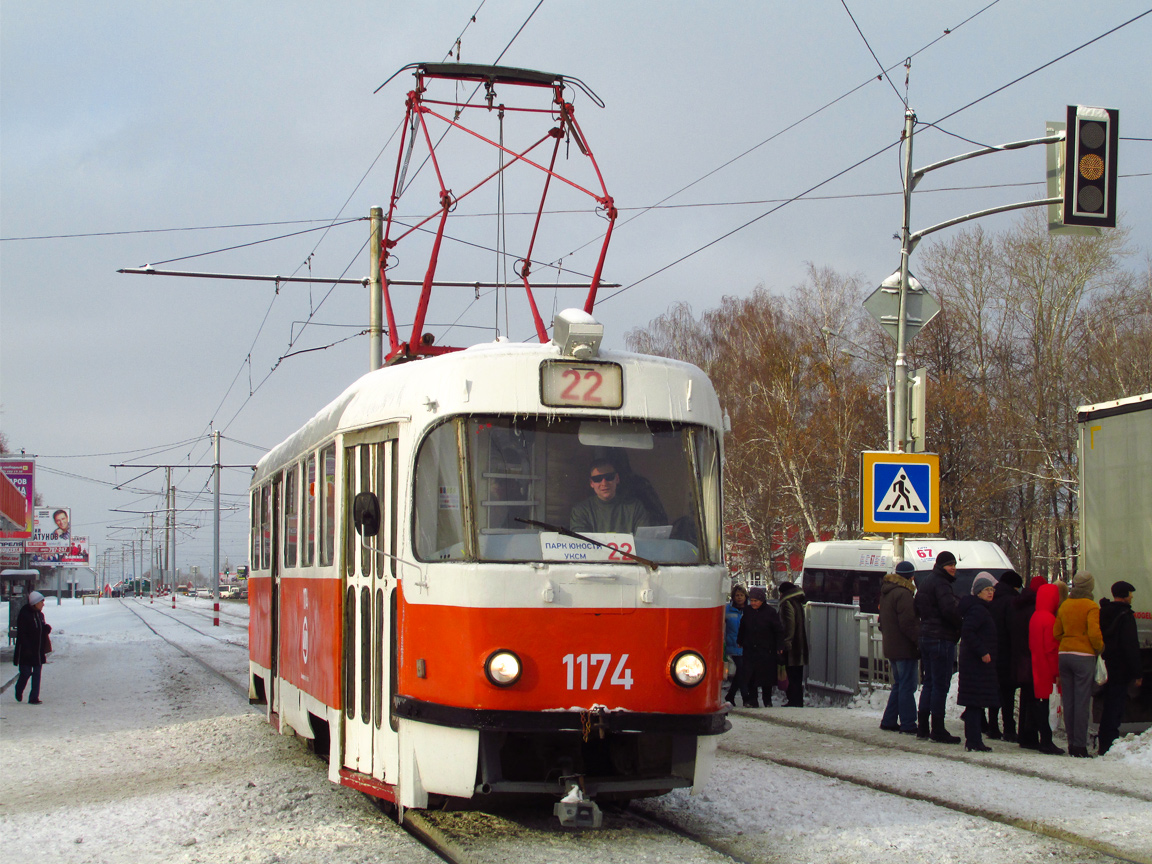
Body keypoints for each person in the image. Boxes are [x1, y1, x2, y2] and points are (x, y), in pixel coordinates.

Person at [1054, 572, 1104, 757]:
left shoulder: (1065, 605)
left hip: (1064, 654)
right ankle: (1080, 746)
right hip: (1083, 656)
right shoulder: (1091, 606)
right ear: (1090, 586)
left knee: (1069, 701)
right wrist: (1099, 648)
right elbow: (1094, 634)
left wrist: (1069, 640)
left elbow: (1057, 632)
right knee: (1082, 702)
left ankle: (1071, 743)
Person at [915, 549, 962, 743]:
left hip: (926, 636)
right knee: (940, 684)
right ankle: (938, 728)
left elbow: (916, 606)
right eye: (950, 565)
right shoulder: (942, 583)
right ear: (942, 566)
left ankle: (923, 727)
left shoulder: (927, 581)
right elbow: (949, 609)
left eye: (954, 565)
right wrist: (960, 624)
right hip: (941, 637)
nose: (953, 568)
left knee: (929, 682)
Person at [1098, 580, 1143, 755]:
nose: (1132, 597)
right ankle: (1109, 744)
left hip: (1104, 665)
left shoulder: (1103, 612)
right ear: (1124, 595)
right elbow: (1130, 646)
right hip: (1120, 668)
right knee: (1115, 706)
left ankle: (1103, 740)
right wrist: (1137, 673)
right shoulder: (1126, 616)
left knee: (1107, 704)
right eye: (1130, 594)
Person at [958, 573, 1000, 752]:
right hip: (975, 663)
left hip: (974, 663)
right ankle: (974, 741)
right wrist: (982, 651)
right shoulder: (978, 609)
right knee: (974, 702)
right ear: (977, 592)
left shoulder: (980, 608)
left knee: (975, 702)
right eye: (986, 590)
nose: (990, 593)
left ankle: (974, 740)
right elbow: (968, 631)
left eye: (992, 589)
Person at [878, 560, 920, 733]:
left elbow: (882, 621)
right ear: (911, 577)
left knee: (899, 684)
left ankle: (889, 720)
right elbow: (908, 623)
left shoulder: (887, 592)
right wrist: (918, 641)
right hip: (904, 647)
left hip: (891, 646)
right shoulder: (904, 594)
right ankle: (908, 723)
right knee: (907, 686)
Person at [568, 459, 655, 535]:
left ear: (617, 478)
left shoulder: (635, 507)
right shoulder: (581, 511)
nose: (604, 483)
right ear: (591, 483)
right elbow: (580, 544)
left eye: (609, 477)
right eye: (598, 479)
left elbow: (643, 540)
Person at [1028, 581, 1066, 755]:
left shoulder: (1035, 616)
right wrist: (1057, 672)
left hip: (1037, 665)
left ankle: (1043, 739)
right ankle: (1046, 741)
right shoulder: (1050, 619)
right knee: (1047, 706)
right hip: (1047, 668)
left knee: (1041, 704)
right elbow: (1052, 649)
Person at [1011, 576, 1047, 750]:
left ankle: (1024, 735)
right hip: (1031, 655)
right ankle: (1030, 734)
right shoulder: (1034, 609)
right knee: (1033, 697)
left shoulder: (1018, 605)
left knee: (1026, 696)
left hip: (1019, 655)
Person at [987, 570, 1023, 741]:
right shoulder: (1011, 601)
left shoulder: (992, 598)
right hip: (1007, 651)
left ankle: (992, 726)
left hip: (992, 650)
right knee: (1007, 691)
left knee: (995, 689)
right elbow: (1013, 629)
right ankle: (1009, 728)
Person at [736, 586, 783, 708]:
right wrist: (740, 640)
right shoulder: (747, 611)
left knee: (766, 677)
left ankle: (767, 700)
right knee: (750, 676)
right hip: (750, 649)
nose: (753, 603)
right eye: (751, 601)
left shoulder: (770, 612)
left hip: (766, 650)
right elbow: (743, 626)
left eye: (756, 601)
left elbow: (778, 630)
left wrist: (779, 646)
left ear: (762, 600)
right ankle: (753, 700)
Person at [13, 591, 53, 705]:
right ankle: (19, 689)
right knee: (25, 673)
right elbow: (22, 633)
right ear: (35, 603)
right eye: (41, 602)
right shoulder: (24, 614)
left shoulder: (40, 615)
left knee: (37, 673)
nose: (43, 604)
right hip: (26, 651)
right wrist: (26, 647)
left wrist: (46, 629)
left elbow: (40, 629)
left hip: (38, 650)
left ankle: (34, 697)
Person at [777, 581, 809, 707]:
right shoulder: (798, 603)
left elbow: (789, 624)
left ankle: (793, 700)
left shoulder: (787, 604)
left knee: (791, 674)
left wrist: (786, 641)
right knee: (797, 675)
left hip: (792, 646)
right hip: (800, 645)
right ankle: (798, 700)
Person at [724, 584, 751, 706]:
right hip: (733, 645)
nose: (739, 598)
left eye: (741, 595)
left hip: (746, 646)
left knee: (741, 672)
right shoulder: (727, 610)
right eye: (737, 595)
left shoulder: (749, 610)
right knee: (740, 671)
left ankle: (730, 695)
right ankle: (745, 697)